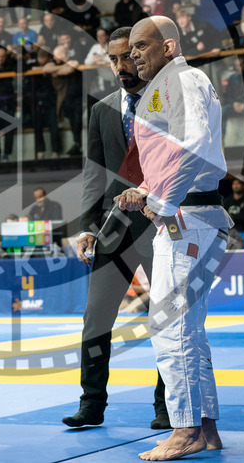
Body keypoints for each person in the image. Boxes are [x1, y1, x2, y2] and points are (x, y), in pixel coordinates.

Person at [115, 16, 230, 460]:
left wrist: (162, 200)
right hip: (190, 216)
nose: (135, 54)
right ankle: (206, 427)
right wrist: (144, 190)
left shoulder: (181, 78)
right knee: (189, 331)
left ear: (168, 46)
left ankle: (183, 429)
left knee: (169, 326)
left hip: (189, 219)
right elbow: (175, 157)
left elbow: (198, 142)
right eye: (131, 48)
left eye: (143, 46)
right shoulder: (163, 88)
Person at [66, 25, 167, 430]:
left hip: (157, 223)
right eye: (114, 59)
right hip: (112, 225)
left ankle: (167, 407)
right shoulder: (102, 109)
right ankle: (91, 405)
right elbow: (94, 176)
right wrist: (86, 227)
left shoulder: (164, 103)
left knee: (165, 317)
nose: (122, 65)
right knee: (95, 318)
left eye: (128, 56)